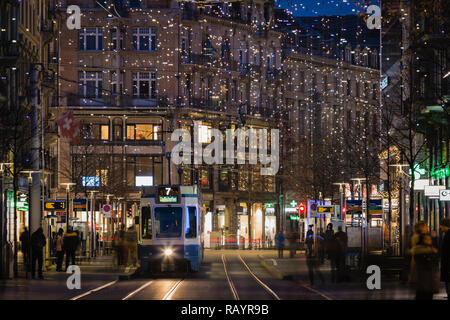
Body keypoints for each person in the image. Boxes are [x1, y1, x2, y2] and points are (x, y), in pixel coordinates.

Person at [411, 233, 439, 300]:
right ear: (422, 240)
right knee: (423, 294)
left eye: (429, 239)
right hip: (423, 278)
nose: (428, 241)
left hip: (431, 279)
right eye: (426, 239)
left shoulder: (432, 250)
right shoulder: (419, 250)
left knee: (428, 295)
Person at [439, 218, 450, 300]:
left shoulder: (447, 235)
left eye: (441, 225)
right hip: (447, 262)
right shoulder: (446, 234)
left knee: (448, 279)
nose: (440, 227)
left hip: (448, 262)